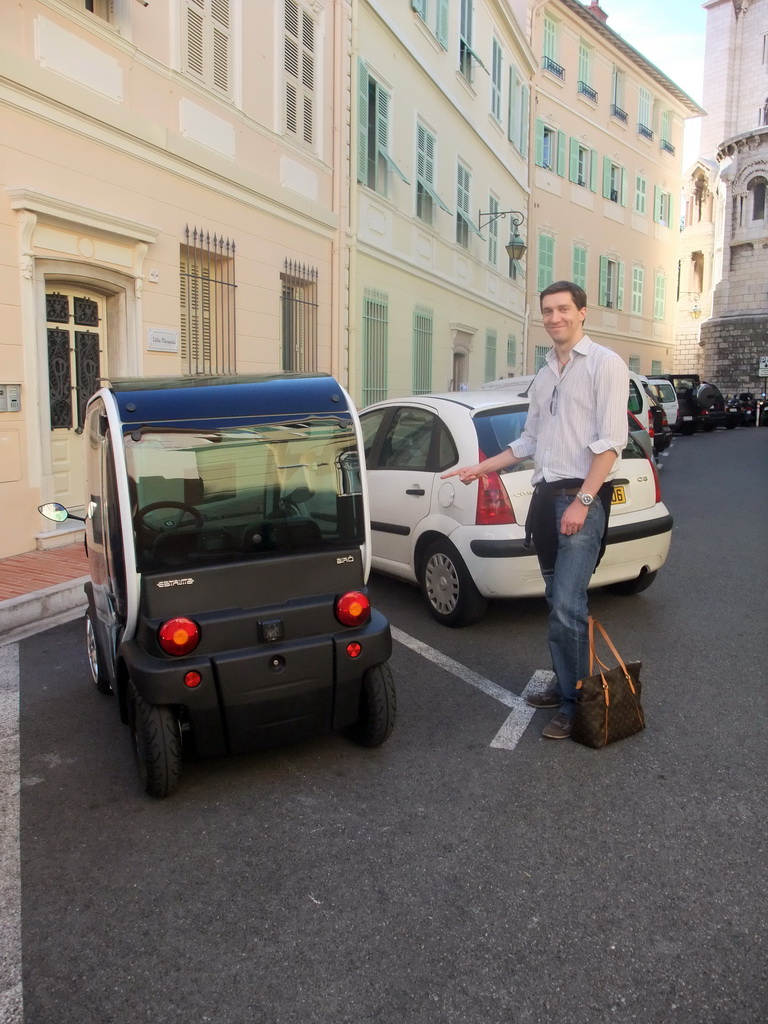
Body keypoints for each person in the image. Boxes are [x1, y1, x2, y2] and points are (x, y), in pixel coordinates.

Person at [442, 281, 628, 739]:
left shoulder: (605, 365)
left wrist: (584, 502)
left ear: (582, 313)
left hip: (577, 500)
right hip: (545, 500)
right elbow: (529, 442)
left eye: (563, 309)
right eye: (547, 311)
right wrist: (479, 469)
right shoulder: (545, 374)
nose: (554, 318)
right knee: (555, 600)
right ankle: (567, 683)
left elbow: (611, 444)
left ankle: (574, 701)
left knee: (568, 604)